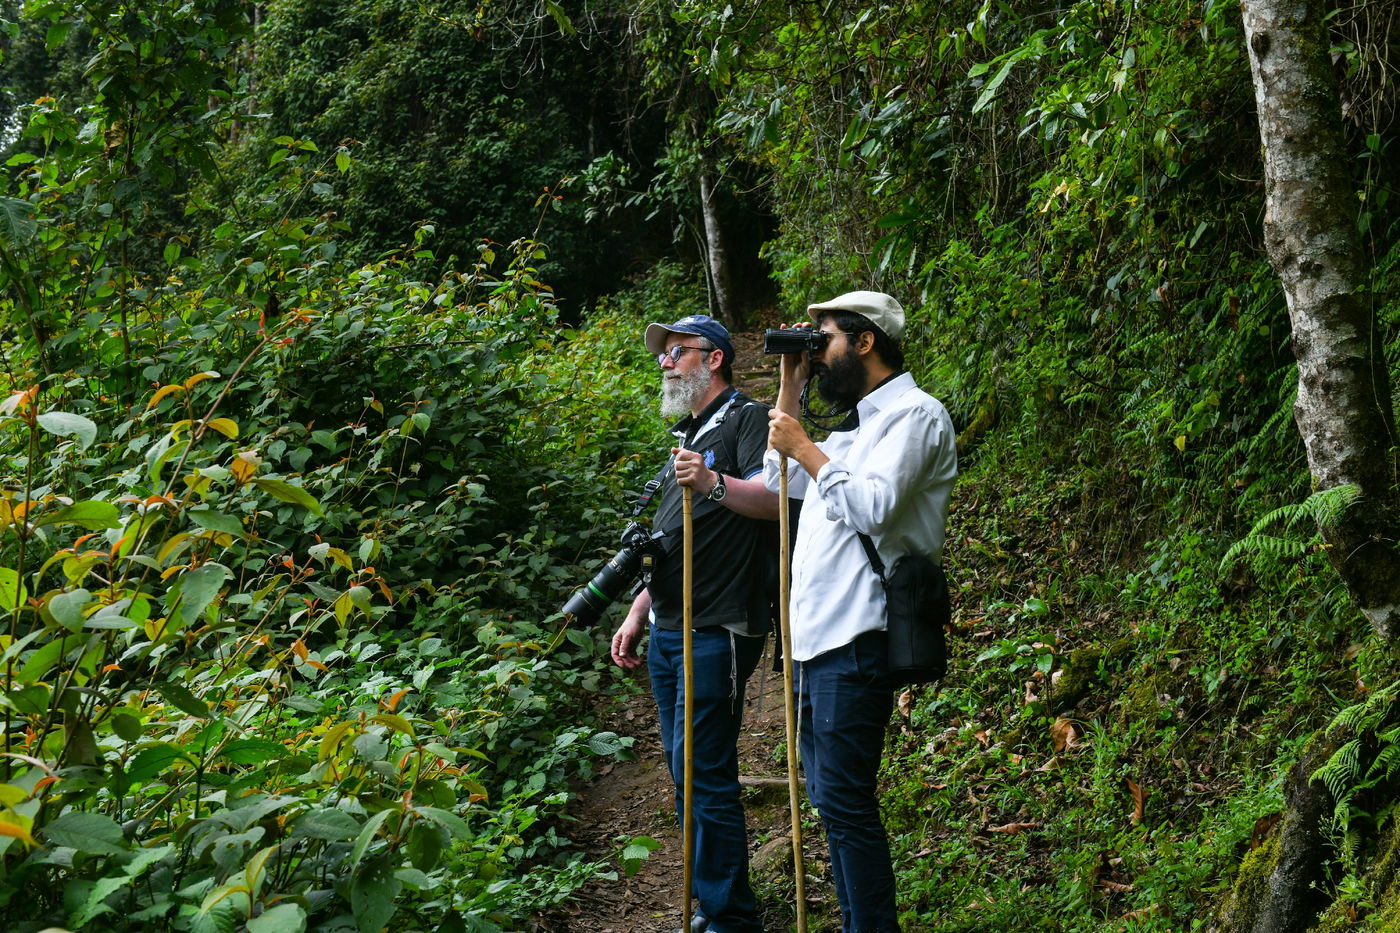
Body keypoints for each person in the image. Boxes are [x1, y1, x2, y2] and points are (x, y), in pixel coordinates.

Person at [763, 291, 958, 933]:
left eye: (826, 339)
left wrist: (808, 449)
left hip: (860, 636)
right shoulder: (852, 427)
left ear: (866, 340)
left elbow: (874, 508)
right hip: (815, 641)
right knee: (828, 801)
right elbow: (779, 481)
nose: (819, 352)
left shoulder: (916, 416)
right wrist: (790, 392)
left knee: (845, 803)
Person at [610, 314, 779, 933]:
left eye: (677, 352)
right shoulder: (688, 430)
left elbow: (777, 498)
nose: (665, 362)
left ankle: (729, 918)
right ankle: (714, 900)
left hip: (721, 624)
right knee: (686, 771)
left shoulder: (747, 418)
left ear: (714, 359)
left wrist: (711, 483)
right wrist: (638, 610)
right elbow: (667, 540)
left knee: (703, 772)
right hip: (671, 626)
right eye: (665, 353)